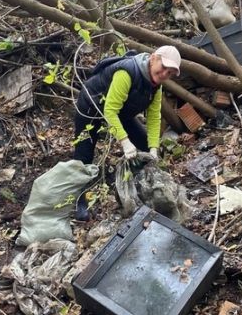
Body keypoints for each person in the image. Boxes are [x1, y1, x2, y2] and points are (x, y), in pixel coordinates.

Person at [73, 45, 181, 220]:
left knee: (145, 145)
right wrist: (124, 142)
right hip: (91, 106)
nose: (164, 75)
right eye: (163, 68)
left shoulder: (156, 86)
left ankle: (139, 187)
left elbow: (154, 116)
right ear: (153, 58)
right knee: (84, 154)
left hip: (122, 112)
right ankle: (79, 201)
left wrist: (153, 148)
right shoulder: (127, 72)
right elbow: (109, 111)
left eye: (169, 73)